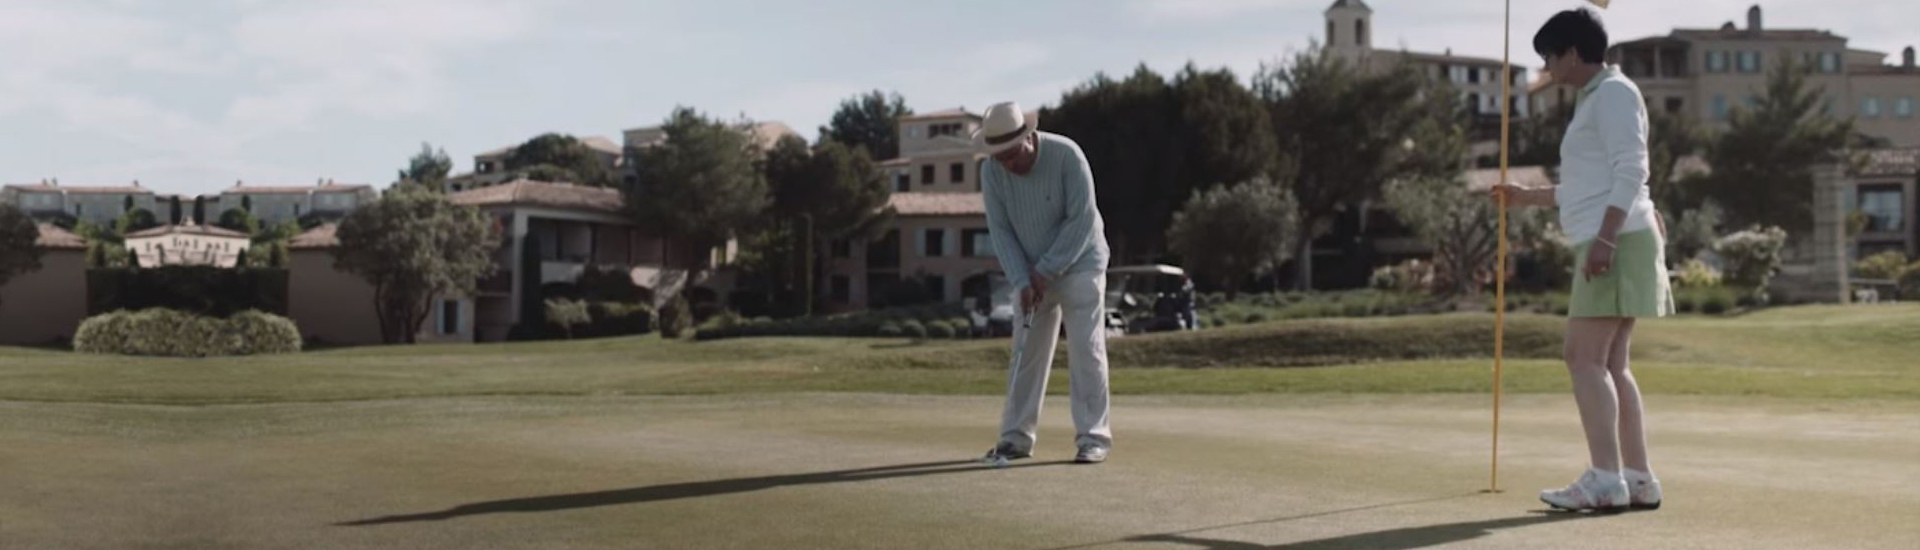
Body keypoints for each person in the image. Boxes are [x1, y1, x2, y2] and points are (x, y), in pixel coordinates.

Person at [1492, 8, 1671, 512]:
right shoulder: (1601, 96)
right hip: (1618, 235)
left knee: (1583, 358)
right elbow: (1593, 186)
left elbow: (1633, 168)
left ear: (1572, 53)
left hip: (1613, 241)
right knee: (1612, 364)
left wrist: (1607, 239)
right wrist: (1527, 197)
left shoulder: (1612, 93)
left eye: (1549, 57)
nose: (1547, 68)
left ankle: (1605, 479)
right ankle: (1636, 478)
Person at [974, 101, 1114, 465]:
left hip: (1082, 262)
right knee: (1026, 350)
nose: (1007, 164)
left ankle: (1092, 438)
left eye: (1012, 154)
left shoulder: (1068, 156)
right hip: (1032, 271)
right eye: (999, 157)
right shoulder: (992, 171)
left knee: (1086, 347)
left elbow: (1080, 221)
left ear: (1030, 137)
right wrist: (1022, 280)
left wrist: (1045, 271)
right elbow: (1000, 232)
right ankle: (1016, 438)